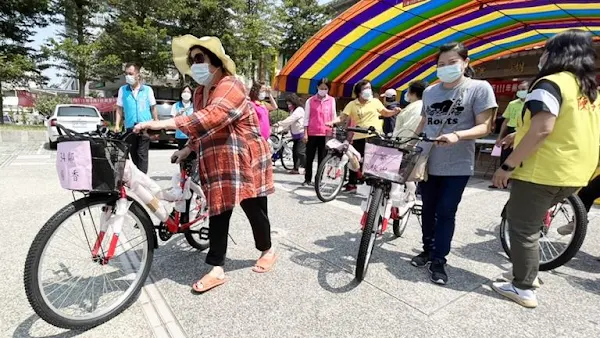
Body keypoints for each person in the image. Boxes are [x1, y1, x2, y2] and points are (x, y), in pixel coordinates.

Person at [133, 34, 276, 294]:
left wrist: (165, 123)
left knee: (254, 208)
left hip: (246, 156)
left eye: (199, 58)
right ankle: (216, 267)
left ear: (216, 61)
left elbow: (215, 116)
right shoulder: (200, 92)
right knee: (218, 210)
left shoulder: (231, 84)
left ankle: (267, 249)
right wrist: (189, 147)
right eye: (192, 60)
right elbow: (203, 129)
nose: (195, 64)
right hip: (219, 159)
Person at [491, 30, 600, 308]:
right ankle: (527, 272)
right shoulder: (587, 89)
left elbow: (543, 129)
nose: (542, 56)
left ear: (556, 54)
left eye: (546, 50)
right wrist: (519, 133)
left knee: (523, 227)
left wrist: (507, 165)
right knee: (533, 223)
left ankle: (523, 287)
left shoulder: (549, 83)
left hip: (542, 170)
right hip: (576, 173)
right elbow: (565, 126)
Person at [412, 42, 497, 285]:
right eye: (441, 64)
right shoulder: (430, 91)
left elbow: (485, 126)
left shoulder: (479, 88)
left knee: (446, 211)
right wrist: (408, 141)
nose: (446, 68)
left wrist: (457, 135)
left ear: (465, 62)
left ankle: (439, 258)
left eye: (452, 63)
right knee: (427, 209)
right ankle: (427, 249)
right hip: (428, 160)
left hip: (457, 163)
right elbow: (424, 122)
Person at [328, 79, 402, 192]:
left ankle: (373, 188)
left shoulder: (375, 101)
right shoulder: (352, 104)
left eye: (369, 88)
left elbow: (385, 112)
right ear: (359, 92)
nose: (368, 91)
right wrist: (332, 122)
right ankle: (352, 184)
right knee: (354, 159)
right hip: (358, 135)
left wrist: (394, 112)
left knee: (373, 163)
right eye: (365, 88)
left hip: (375, 135)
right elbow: (342, 117)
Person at [114, 63, 158, 174]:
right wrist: (117, 125)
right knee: (133, 154)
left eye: (131, 73)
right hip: (131, 128)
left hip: (145, 127)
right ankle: (138, 177)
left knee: (142, 154)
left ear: (138, 75)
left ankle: (142, 178)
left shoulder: (147, 90)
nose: (128, 76)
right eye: (126, 74)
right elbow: (119, 109)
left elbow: (153, 108)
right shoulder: (123, 90)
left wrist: (157, 123)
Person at [392, 80, 428, 213]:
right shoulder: (426, 106)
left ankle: (406, 197)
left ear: (412, 93)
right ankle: (410, 194)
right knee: (406, 173)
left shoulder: (411, 108)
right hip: (417, 145)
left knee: (398, 174)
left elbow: (402, 129)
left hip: (402, 144)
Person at [489, 81, 529, 189]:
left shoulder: (531, 103)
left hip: (523, 133)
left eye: (523, 89)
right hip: (510, 131)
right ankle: (500, 182)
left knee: (521, 158)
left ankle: (518, 184)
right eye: (519, 89)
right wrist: (500, 137)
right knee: (505, 157)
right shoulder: (513, 104)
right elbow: (506, 121)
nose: (521, 92)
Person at [302, 78, 336, 186]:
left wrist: (333, 131)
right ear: (317, 87)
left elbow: (333, 116)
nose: (323, 90)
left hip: (325, 133)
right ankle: (307, 179)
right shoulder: (310, 101)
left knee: (322, 158)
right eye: (321, 88)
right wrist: (305, 133)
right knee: (309, 157)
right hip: (312, 133)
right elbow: (306, 118)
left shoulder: (331, 100)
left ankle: (318, 180)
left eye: (325, 88)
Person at [274, 93, 305, 174]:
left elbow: (290, 120)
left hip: (301, 134)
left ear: (294, 102)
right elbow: (290, 123)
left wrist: (279, 123)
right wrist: (282, 129)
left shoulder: (299, 110)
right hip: (295, 135)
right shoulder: (292, 110)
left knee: (300, 152)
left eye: (289, 103)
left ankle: (307, 167)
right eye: (287, 103)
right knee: (295, 153)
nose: (288, 105)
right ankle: (295, 168)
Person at [170, 85, 195, 150]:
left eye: (188, 92)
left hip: (192, 135)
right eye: (184, 91)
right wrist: (178, 115)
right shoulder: (176, 105)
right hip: (180, 135)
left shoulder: (194, 105)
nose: (186, 93)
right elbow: (172, 121)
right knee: (181, 156)